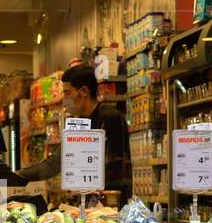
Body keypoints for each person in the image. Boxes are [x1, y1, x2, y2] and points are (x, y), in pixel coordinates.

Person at [18, 63, 132, 203]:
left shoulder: (110, 118)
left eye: (67, 92)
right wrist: (18, 175)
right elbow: (54, 164)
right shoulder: (77, 124)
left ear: (83, 92)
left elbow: (116, 171)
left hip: (110, 204)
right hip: (88, 203)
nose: (64, 99)